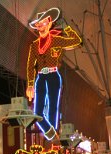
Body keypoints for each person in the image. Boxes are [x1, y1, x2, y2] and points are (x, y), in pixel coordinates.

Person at [26, 7, 82, 140]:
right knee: (37, 112)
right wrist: (30, 84)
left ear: (50, 23)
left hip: (53, 76)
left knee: (53, 108)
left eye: (44, 23)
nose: (41, 26)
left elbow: (77, 41)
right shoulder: (34, 45)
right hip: (40, 78)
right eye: (39, 24)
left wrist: (67, 28)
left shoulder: (57, 40)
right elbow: (30, 65)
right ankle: (50, 133)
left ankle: (52, 135)